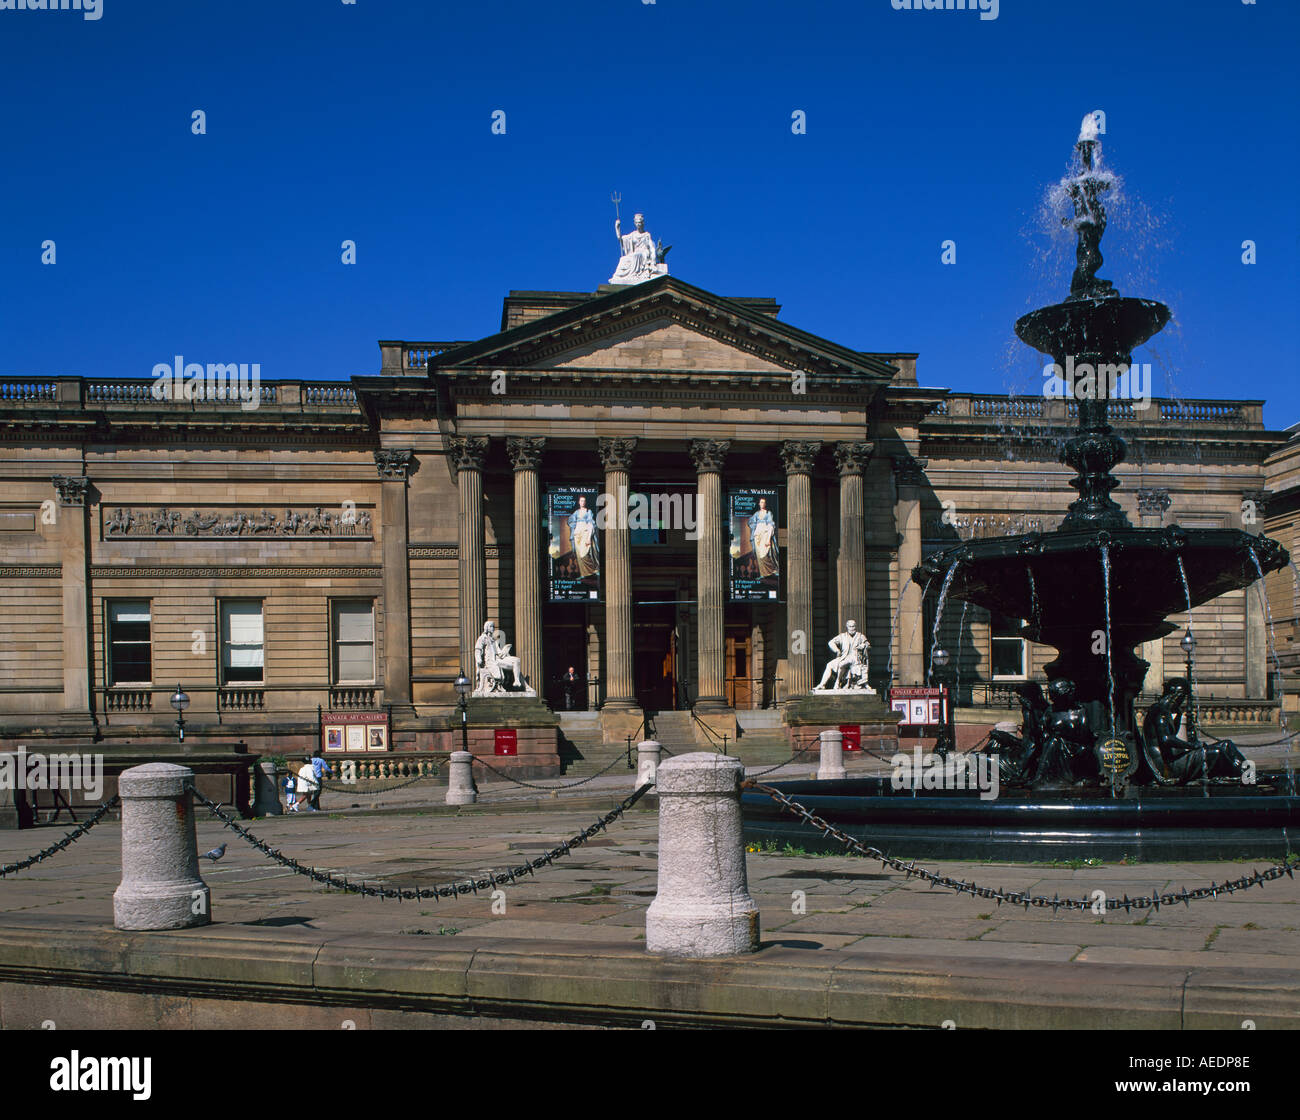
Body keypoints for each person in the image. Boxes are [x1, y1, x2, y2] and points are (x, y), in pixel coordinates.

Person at [1141, 677, 1248, 783]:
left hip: (1172, 760)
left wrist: (1179, 716)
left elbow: (1171, 736)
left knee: (1226, 744)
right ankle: (1246, 778)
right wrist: (1193, 746)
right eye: (1183, 697)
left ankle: (1249, 774)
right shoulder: (1160, 711)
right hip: (1167, 767)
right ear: (1178, 695)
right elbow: (1167, 739)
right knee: (1217, 752)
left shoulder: (1164, 710)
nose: (1183, 701)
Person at [567, 495, 599, 580]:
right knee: (579, 556)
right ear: (579, 502)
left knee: (583, 554)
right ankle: (584, 573)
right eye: (581, 501)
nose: (583, 502)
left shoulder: (588, 511)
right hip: (577, 535)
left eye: (584, 501)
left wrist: (589, 537)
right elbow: (570, 522)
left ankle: (594, 570)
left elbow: (591, 524)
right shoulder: (576, 512)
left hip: (585, 533)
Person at [747, 498, 779, 580]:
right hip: (757, 536)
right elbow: (750, 522)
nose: (762, 503)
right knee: (759, 556)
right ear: (759, 503)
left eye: (764, 502)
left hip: (765, 535)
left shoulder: (768, 513)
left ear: (766, 504)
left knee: (764, 555)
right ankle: (763, 574)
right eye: (761, 502)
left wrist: (768, 538)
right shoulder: (756, 514)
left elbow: (771, 525)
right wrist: (755, 527)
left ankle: (773, 570)